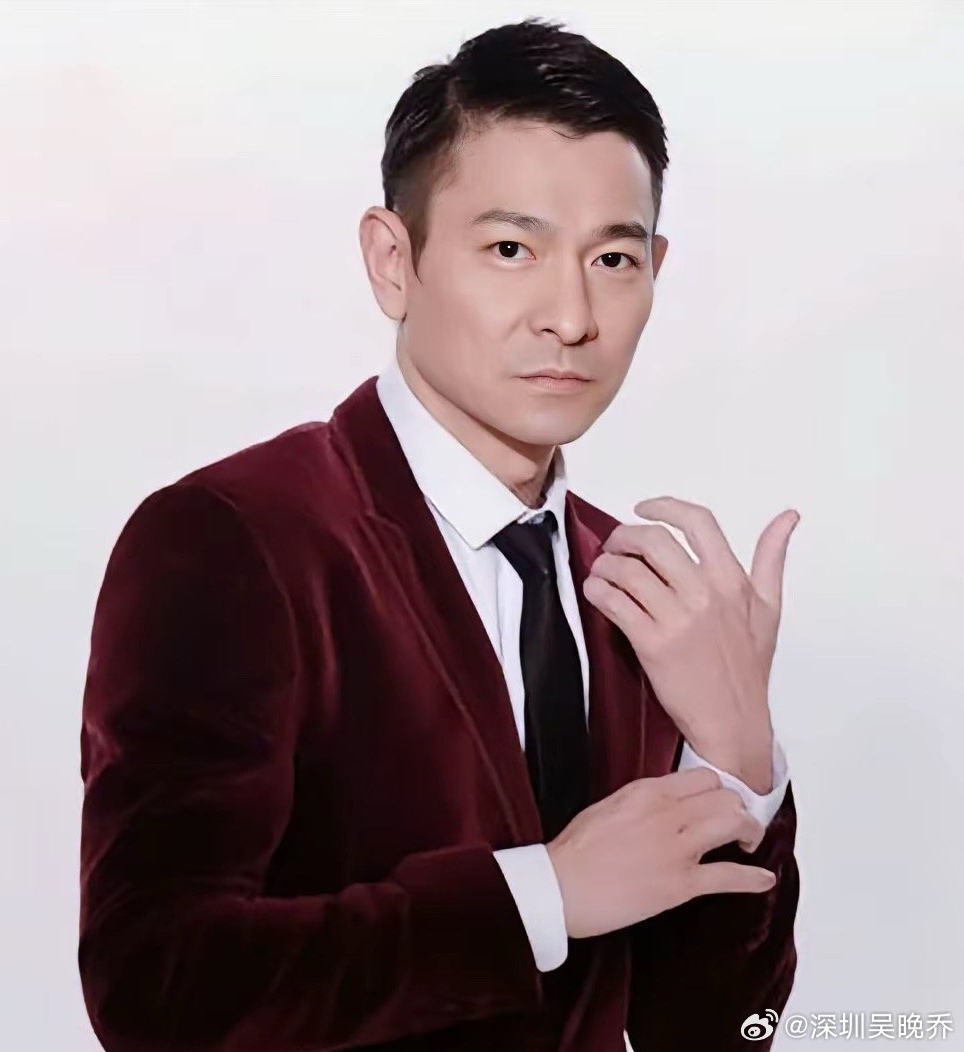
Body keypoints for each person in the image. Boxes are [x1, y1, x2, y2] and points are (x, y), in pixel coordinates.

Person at [78, 17, 799, 1052]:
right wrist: (539, 898)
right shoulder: (235, 542)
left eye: (614, 257)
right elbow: (156, 986)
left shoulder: (638, 591)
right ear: (393, 260)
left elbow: (716, 1032)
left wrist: (739, 759)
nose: (571, 315)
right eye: (511, 249)